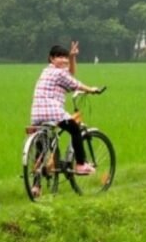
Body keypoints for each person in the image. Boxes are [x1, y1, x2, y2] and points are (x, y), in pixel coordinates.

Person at [30, 42, 102, 175]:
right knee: (75, 128)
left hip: (36, 114)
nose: (64, 60)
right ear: (52, 58)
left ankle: (35, 185)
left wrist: (73, 57)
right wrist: (91, 90)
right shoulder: (59, 73)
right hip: (51, 111)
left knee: (43, 143)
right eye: (60, 57)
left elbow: (70, 73)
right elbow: (75, 83)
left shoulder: (47, 71)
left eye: (65, 57)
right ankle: (80, 164)